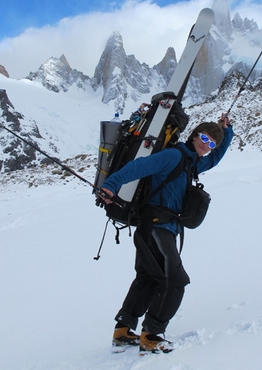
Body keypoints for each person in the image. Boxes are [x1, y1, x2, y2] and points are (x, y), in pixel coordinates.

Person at [100, 113, 234, 354]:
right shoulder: (173, 156)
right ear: (194, 135)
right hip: (155, 227)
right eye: (204, 138)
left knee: (148, 278)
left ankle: (123, 331)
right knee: (175, 280)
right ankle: (152, 334)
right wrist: (110, 185)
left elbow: (214, 159)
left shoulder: (192, 162)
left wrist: (228, 131)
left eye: (211, 143)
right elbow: (139, 166)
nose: (206, 145)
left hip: (161, 228)